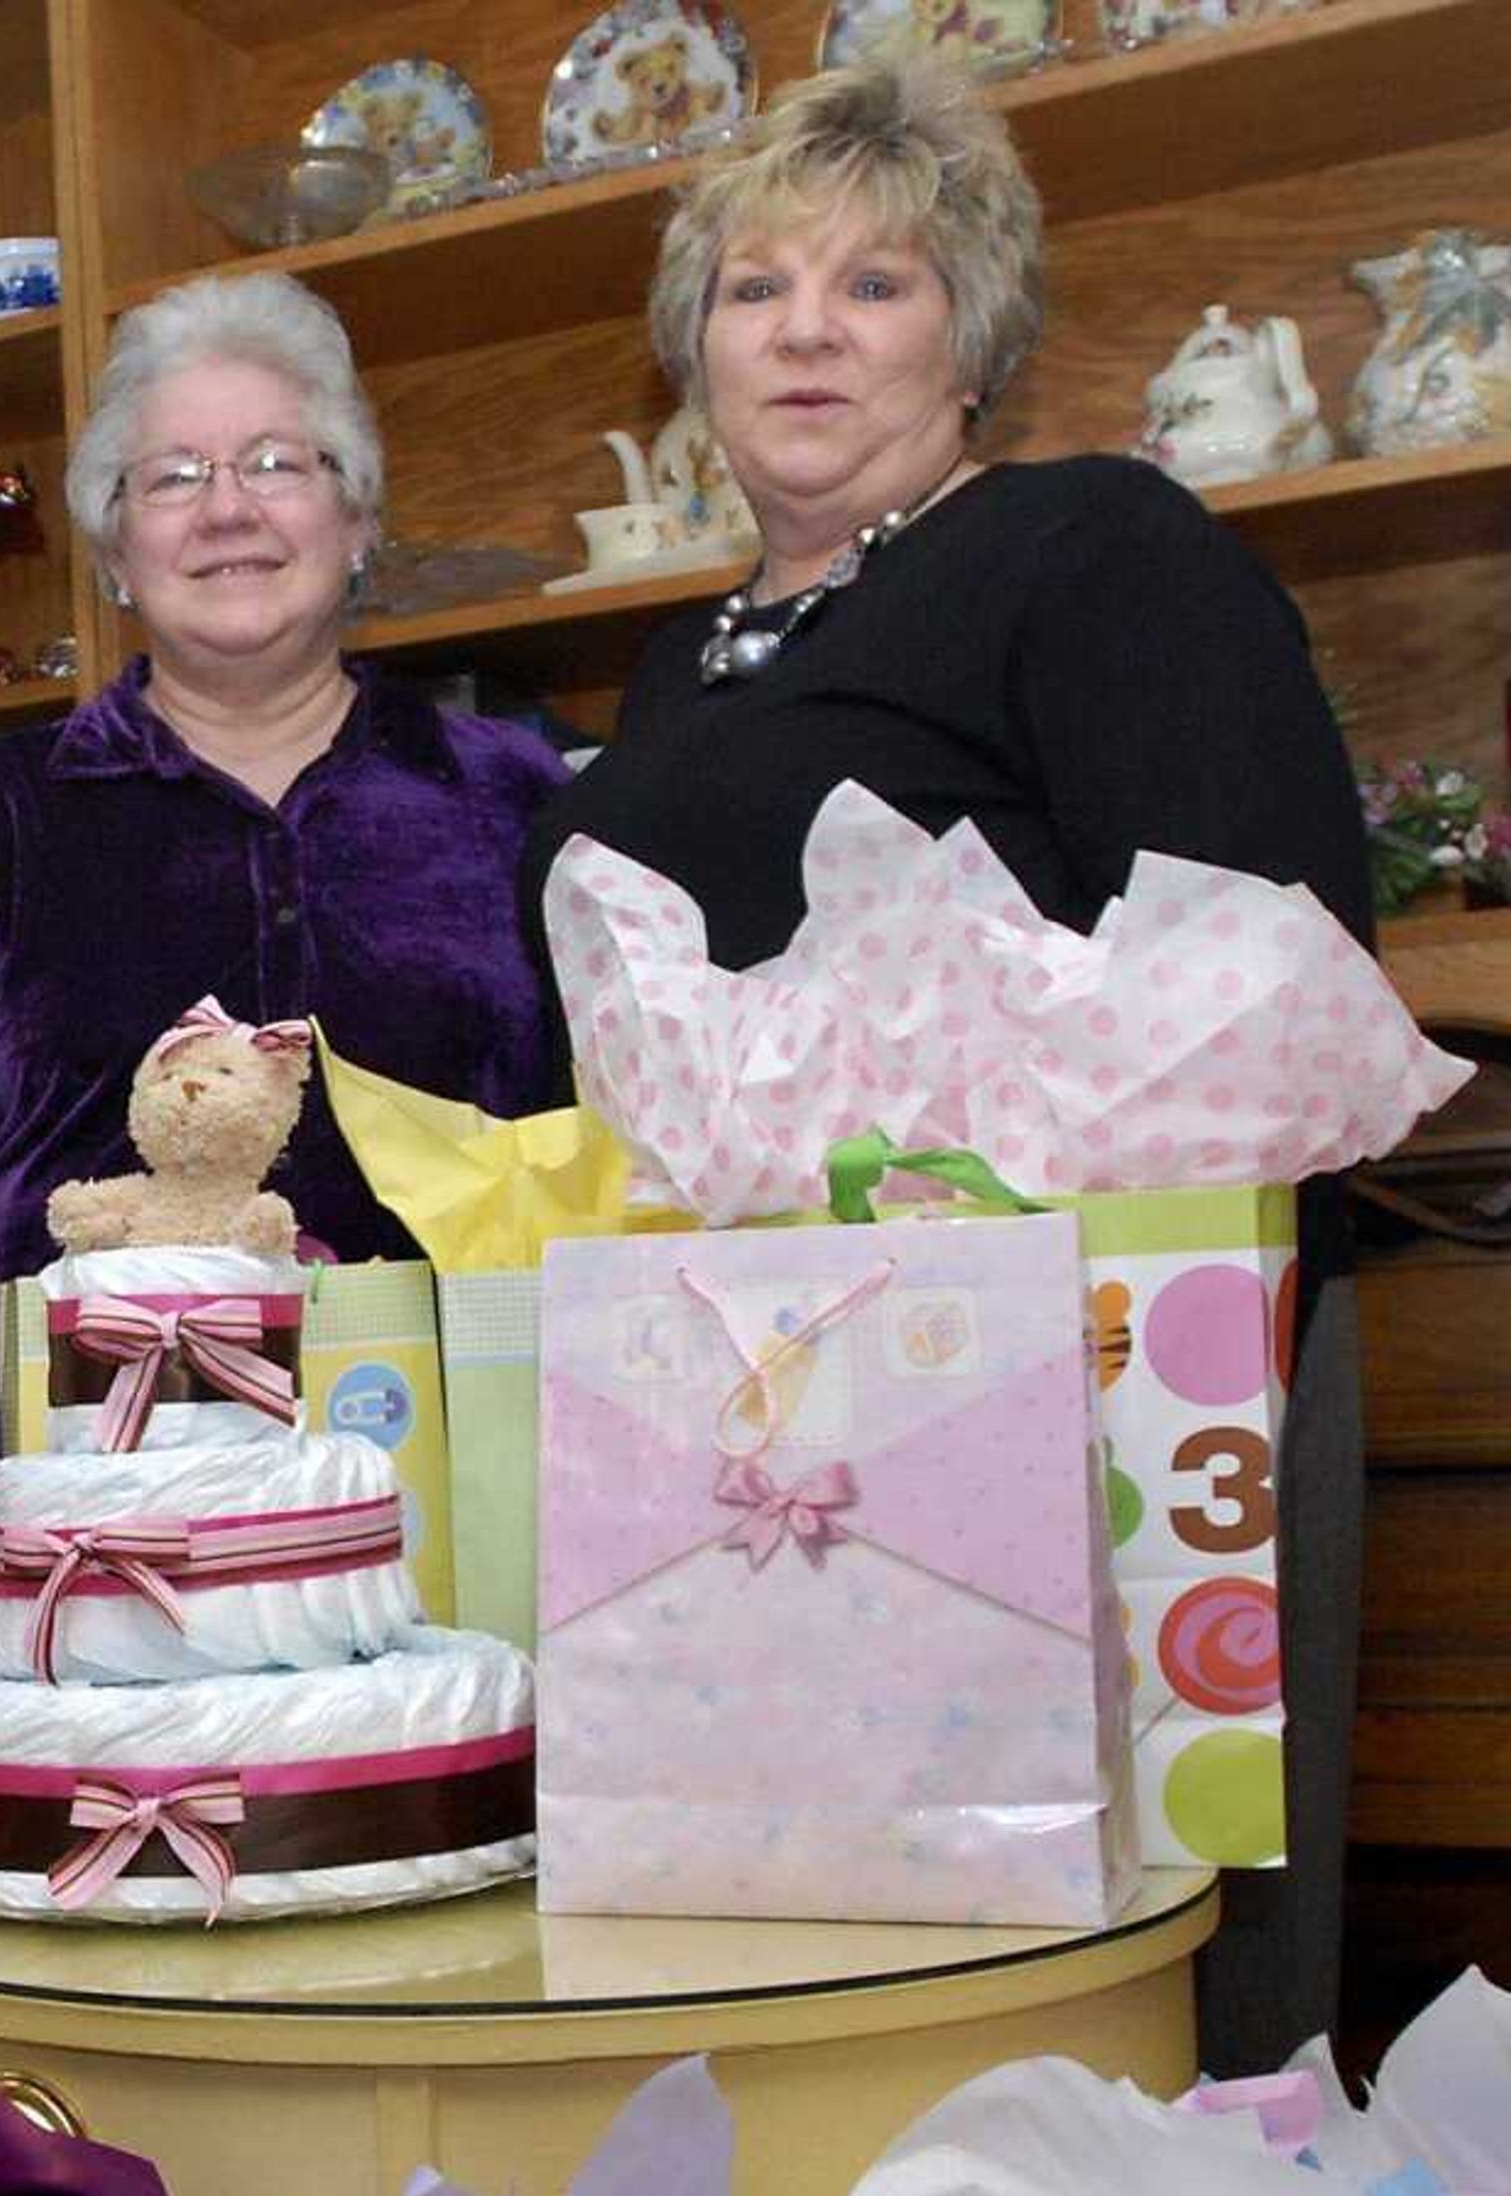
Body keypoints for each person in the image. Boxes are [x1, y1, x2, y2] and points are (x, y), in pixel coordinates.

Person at [530, 53, 1366, 2075]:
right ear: (690, 348)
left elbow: (1260, 968)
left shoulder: (1092, 546)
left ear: (972, 332)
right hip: (782, 1424)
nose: (807, 327)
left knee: (1141, 2017)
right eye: (756, 287)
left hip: (1103, 1393)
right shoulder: (676, 662)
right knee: (822, 2018)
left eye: (876, 283)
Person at [0, 276, 571, 1657]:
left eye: (280, 463)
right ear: (114, 551)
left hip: (464, 1526)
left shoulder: (517, 800)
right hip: (90, 1546)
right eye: (171, 477)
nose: (229, 509)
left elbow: (599, 1171)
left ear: (357, 522)